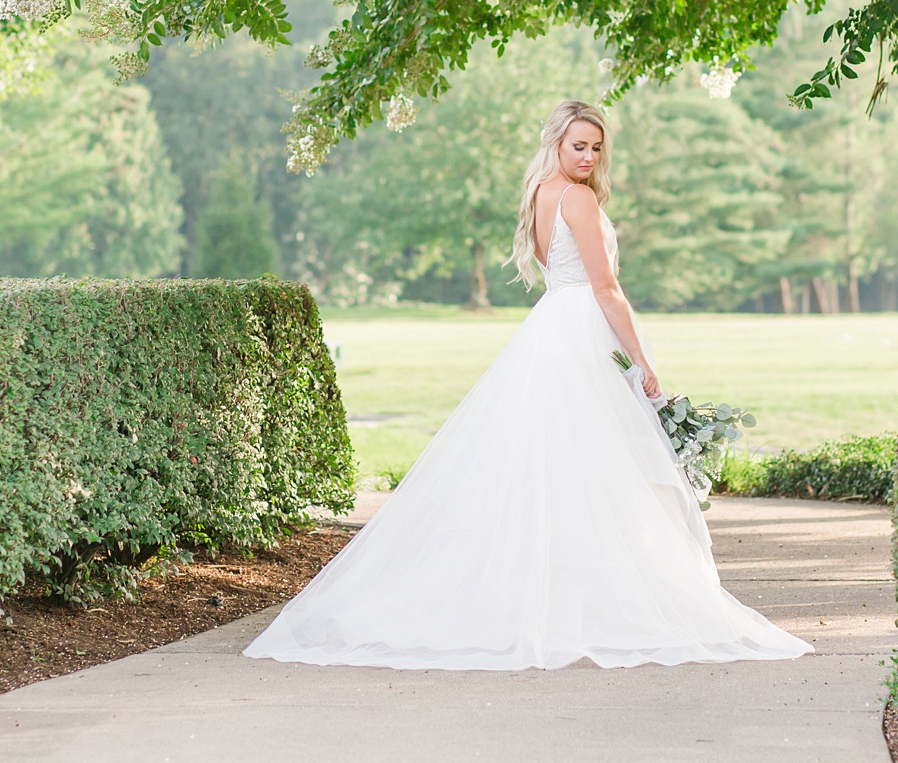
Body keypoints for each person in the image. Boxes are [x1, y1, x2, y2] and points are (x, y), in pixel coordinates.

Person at [244, 99, 813, 670]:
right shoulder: (579, 198)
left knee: (558, 466)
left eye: (596, 147)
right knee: (597, 466)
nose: (589, 157)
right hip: (582, 332)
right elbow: (607, 288)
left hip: (552, 328)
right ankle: (590, 601)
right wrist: (641, 360)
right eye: (578, 146)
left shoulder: (543, 192)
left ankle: (558, 596)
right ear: (557, 145)